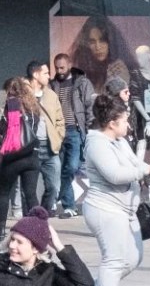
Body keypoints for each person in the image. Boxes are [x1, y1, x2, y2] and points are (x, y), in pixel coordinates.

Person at [81, 91, 150, 286]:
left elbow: (136, 165)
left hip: (127, 210)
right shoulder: (97, 144)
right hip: (105, 209)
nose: (129, 125)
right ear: (112, 123)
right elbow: (114, 175)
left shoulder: (120, 141)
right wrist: (148, 169)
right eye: (125, 121)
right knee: (114, 262)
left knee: (133, 258)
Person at [0, 76, 44, 243]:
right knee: (30, 193)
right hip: (32, 155)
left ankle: (0, 231)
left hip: (15, 155)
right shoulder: (34, 106)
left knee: (4, 192)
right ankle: (38, 230)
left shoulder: (13, 104)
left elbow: (12, 129)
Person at [0, 206, 74, 286]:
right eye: (12, 239)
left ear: (35, 248)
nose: (12, 245)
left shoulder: (48, 272)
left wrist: (60, 248)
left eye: (19, 242)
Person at [55, 53, 93, 217]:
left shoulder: (82, 82)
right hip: (58, 131)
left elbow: (90, 106)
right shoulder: (53, 84)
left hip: (75, 130)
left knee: (71, 167)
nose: (59, 70)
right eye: (57, 67)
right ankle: (69, 206)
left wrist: (89, 128)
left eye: (62, 67)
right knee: (61, 168)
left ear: (69, 64)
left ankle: (56, 198)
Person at [29, 60, 70, 216]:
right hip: (31, 148)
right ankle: (31, 221)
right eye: (46, 73)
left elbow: (60, 119)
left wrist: (59, 136)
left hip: (51, 148)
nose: (49, 76)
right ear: (36, 74)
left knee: (53, 187)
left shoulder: (51, 95)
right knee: (29, 189)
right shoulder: (23, 94)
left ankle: (43, 216)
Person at [72, 19, 131, 93]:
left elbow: (115, 99)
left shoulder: (118, 68)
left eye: (102, 40)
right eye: (92, 42)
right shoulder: (84, 70)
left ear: (111, 42)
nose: (98, 47)